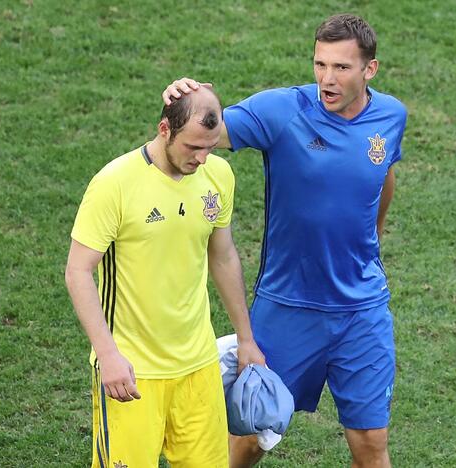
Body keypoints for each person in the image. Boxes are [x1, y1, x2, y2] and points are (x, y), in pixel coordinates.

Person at [163, 14, 406, 468]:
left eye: (341, 68)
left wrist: (374, 236)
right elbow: (209, 132)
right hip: (288, 307)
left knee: (372, 444)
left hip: (362, 312)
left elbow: (384, 173)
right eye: (320, 65)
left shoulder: (391, 116)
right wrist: (188, 101)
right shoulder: (282, 111)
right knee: (256, 431)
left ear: (369, 70)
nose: (326, 79)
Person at [65, 86, 265, 468]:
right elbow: (78, 271)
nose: (202, 158)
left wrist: (246, 338)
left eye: (210, 147)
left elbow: (222, 257)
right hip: (133, 371)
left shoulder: (218, 176)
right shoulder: (115, 184)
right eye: (193, 147)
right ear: (164, 130)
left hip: (199, 366)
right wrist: (108, 355)